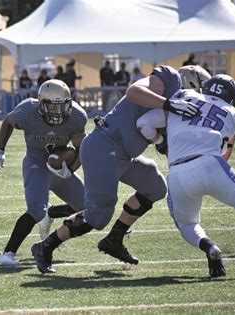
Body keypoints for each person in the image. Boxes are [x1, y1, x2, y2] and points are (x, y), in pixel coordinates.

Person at [31, 66, 200, 274]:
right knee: (98, 215)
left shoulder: (181, 110)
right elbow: (133, 92)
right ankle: (44, 247)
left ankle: (114, 239)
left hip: (124, 155)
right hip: (104, 146)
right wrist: (169, 104)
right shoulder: (168, 80)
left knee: (155, 187)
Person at [138, 74, 235, 277]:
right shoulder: (234, 114)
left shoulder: (182, 97)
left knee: (187, 224)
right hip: (211, 166)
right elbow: (230, 141)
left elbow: (143, 123)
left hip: (177, 173)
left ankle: (209, 246)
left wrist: (160, 141)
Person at [0, 79, 87, 266]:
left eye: (62, 106)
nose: (58, 113)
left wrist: (71, 170)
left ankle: (51, 213)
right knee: (35, 210)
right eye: (52, 107)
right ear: (41, 103)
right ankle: (7, 254)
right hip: (36, 163)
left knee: (87, 208)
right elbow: (8, 122)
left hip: (59, 168)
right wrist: (0, 150)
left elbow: (80, 148)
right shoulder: (27, 111)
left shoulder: (77, 116)